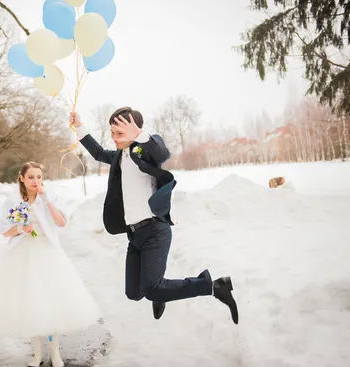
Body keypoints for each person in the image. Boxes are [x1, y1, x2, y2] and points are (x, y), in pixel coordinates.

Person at [69, 108, 239, 324]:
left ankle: (215, 286)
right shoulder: (119, 157)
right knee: (134, 293)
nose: (114, 138)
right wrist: (79, 126)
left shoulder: (146, 149)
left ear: (135, 131)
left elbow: (162, 154)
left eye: (119, 133)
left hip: (155, 231)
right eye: (112, 132)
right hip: (134, 235)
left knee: (152, 289)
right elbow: (98, 152)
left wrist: (139, 136)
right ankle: (161, 292)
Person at [0, 162, 101, 367]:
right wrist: (20, 228)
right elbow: (5, 231)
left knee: (52, 300)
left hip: (47, 252)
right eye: (31, 177)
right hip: (23, 254)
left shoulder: (49, 197)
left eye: (39, 177)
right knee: (28, 302)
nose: (36, 181)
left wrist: (47, 199)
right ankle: (37, 354)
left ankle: (55, 352)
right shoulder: (13, 201)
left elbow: (61, 222)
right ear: (22, 178)